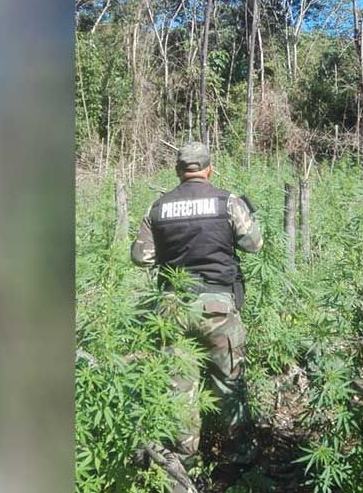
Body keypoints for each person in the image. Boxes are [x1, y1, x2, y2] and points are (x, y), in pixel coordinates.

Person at [131, 142, 263, 492]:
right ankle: (238, 462)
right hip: (219, 308)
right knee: (229, 383)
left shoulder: (159, 207)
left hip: (173, 310)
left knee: (180, 390)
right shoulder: (227, 202)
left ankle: (183, 465)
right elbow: (253, 244)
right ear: (209, 168)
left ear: (178, 170)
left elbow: (140, 257)